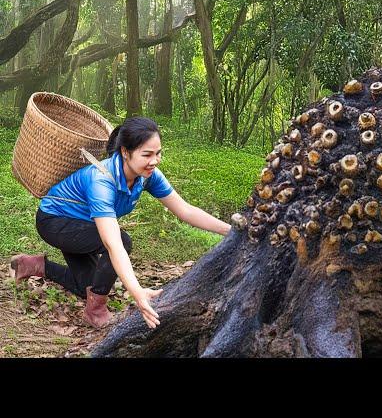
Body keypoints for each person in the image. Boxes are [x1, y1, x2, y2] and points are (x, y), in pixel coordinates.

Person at [10, 117, 231, 329]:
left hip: (84, 225)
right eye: (147, 154)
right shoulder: (102, 180)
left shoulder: (147, 175)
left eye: (158, 153)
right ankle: (95, 312)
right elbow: (112, 243)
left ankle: (32, 265)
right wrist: (137, 291)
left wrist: (231, 230)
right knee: (122, 242)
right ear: (125, 152)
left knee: (87, 287)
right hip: (55, 222)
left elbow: (185, 210)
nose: (154, 161)